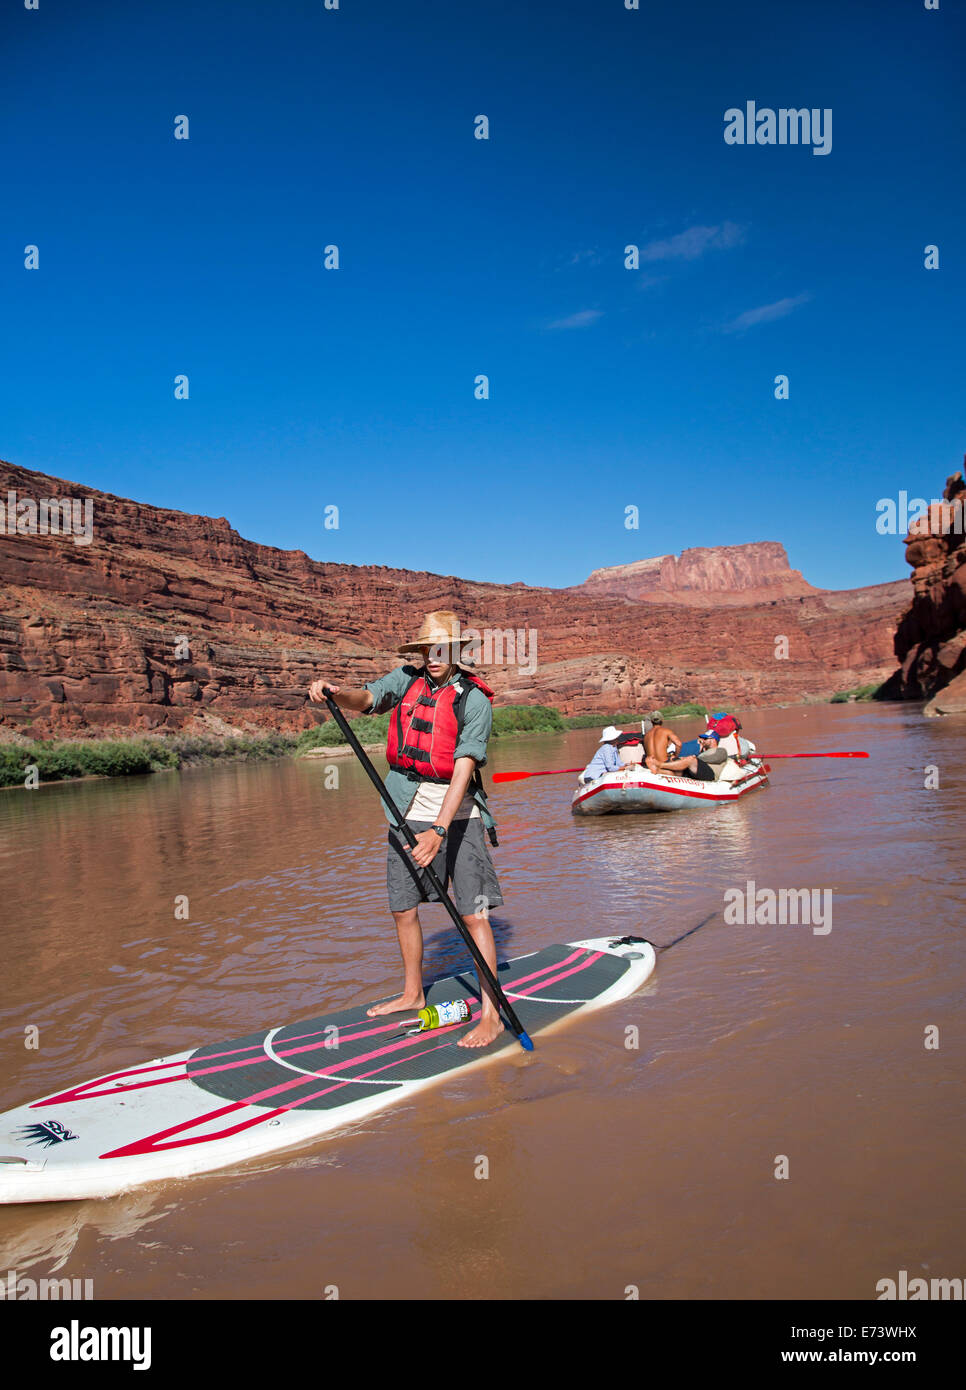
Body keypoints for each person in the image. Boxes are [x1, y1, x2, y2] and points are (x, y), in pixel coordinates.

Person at [308, 610, 505, 1049]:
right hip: (404, 810)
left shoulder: (473, 699)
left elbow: (463, 769)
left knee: (474, 915)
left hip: (457, 817)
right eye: (427, 650)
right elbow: (366, 700)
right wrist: (336, 694)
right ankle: (414, 993)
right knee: (402, 907)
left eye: (442, 650)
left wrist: (439, 829)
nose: (433, 657)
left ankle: (491, 1014)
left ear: (455, 652)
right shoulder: (405, 679)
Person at [661, 732, 725, 781]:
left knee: (691, 759)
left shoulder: (720, 751)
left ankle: (660, 765)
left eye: (705, 739)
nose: (702, 740)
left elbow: (712, 758)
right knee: (678, 766)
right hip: (699, 771)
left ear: (713, 740)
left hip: (711, 773)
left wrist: (694, 757)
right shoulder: (703, 751)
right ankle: (658, 771)